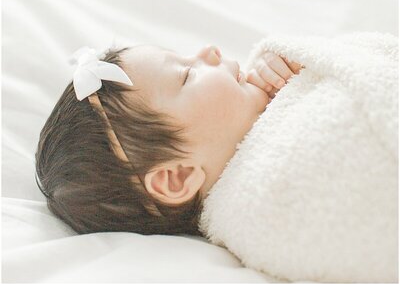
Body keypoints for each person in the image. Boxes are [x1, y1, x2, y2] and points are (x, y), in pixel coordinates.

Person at [35, 43, 302, 235]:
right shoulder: (267, 215)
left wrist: (288, 63)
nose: (210, 50)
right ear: (177, 178)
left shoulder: (265, 103)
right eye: (187, 75)